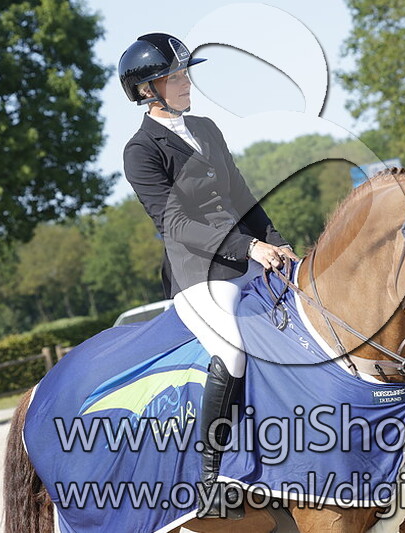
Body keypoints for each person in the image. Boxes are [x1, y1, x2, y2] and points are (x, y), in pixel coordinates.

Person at [119, 33, 298, 519]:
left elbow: (241, 195)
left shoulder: (205, 127)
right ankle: (209, 477)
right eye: (173, 77)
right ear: (145, 91)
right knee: (232, 348)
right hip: (199, 271)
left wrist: (277, 241)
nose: (184, 82)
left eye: (184, 73)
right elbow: (173, 223)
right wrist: (248, 247)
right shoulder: (141, 150)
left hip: (251, 253)